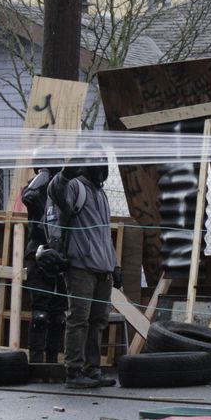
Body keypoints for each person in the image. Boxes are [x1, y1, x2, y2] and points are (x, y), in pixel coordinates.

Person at [48, 152, 121, 389]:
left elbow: (104, 234)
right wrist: (65, 174)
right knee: (79, 318)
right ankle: (74, 371)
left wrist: (115, 264)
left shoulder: (101, 194)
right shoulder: (75, 187)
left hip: (103, 268)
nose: (102, 168)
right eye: (97, 163)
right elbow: (56, 190)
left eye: (104, 163)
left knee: (98, 319)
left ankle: (93, 369)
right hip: (80, 266)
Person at [21, 158, 67, 365]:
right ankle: (37, 364)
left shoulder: (65, 190)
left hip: (61, 254)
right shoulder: (34, 189)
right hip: (37, 252)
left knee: (59, 316)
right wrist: (44, 174)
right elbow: (27, 196)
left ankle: (53, 363)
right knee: (40, 314)